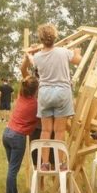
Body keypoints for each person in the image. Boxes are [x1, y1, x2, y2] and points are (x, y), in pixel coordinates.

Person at [21, 23, 82, 171]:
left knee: (46, 131)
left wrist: (30, 52)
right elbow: (77, 60)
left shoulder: (38, 56)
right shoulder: (63, 52)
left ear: (41, 39)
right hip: (62, 93)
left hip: (45, 94)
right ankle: (60, 163)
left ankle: (45, 163)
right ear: (55, 37)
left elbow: (30, 62)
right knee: (59, 131)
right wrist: (77, 52)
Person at [2, 76, 40, 193]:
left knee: (11, 167)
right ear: (36, 90)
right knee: (13, 169)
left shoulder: (20, 97)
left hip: (7, 133)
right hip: (17, 137)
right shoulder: (36, 104)